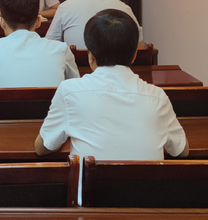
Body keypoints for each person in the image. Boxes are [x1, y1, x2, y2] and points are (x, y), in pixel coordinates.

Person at [35, 9, 187, 160]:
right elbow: (181, 150)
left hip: (91, 177)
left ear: (91, 56)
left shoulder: (69, 92)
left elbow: (43, 147)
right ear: (134, 55)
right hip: (145, 177)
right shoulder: (158, 97)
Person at [0, 0, 78, 95]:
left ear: (2, 22)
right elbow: (75, 87)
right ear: (38, 21)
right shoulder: (61, 50)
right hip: (51, 108)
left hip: (4, 108)